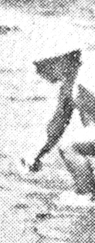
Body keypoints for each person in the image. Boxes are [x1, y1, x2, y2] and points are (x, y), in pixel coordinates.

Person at [26, 49, 95, 198]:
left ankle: (87, 198)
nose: (39, 71)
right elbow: (56, 128)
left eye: (43, 65)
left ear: (65, 60)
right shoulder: (68, 87)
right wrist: (37, 155)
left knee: (69, 146)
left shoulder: (86, 79)